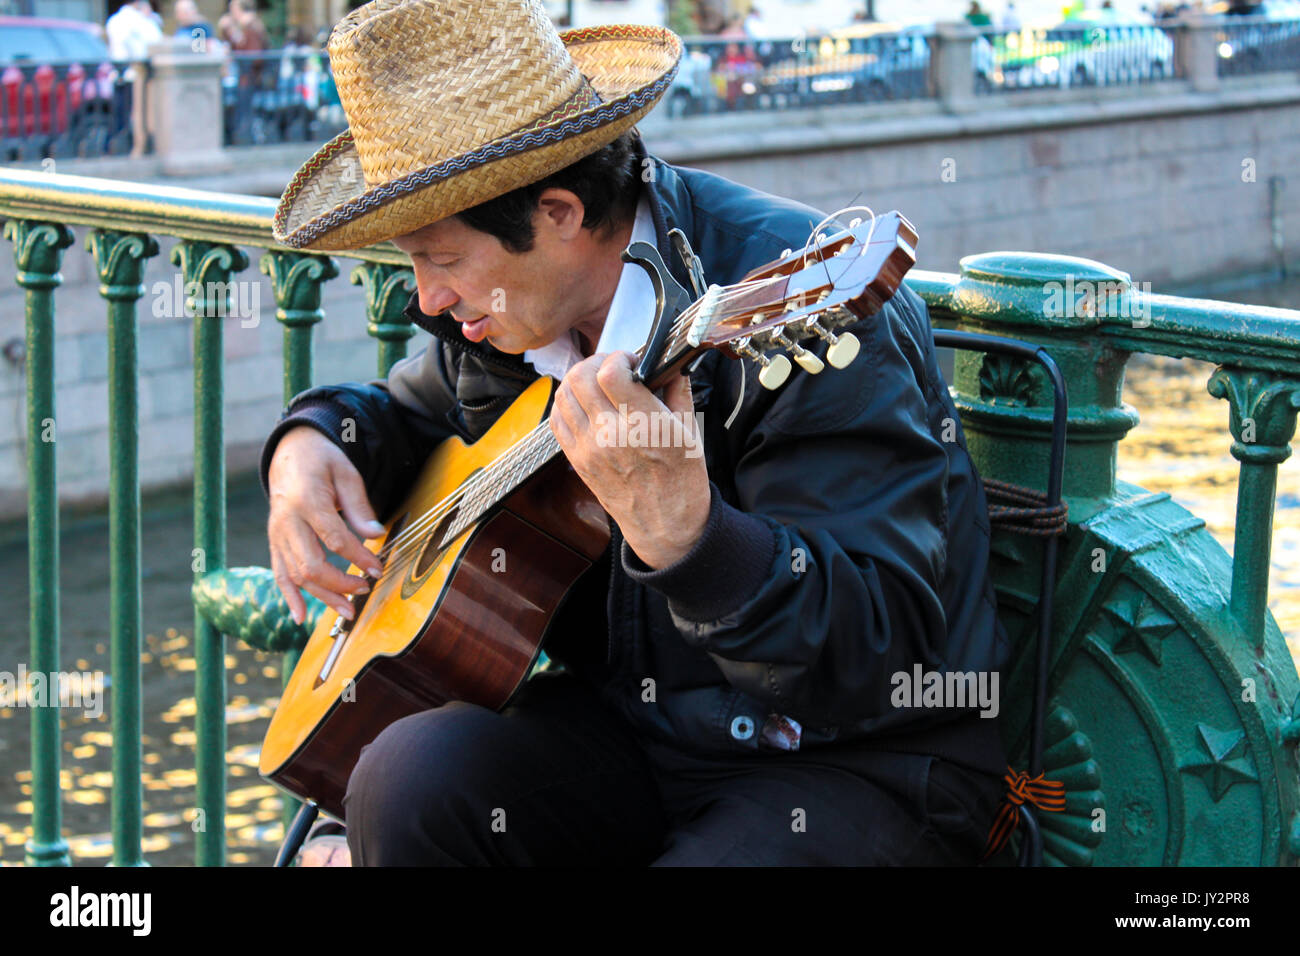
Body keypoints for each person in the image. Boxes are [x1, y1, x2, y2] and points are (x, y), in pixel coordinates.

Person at [264, 0, 1010, 866]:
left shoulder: (809, 318)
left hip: (852, 761)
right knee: (408, 778)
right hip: (638, 725)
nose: (426, 298)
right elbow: (409, 413)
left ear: (558, 215)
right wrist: (312, 443)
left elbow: (881, 654)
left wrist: (694, 541)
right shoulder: (510, 323)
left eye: (440, 258)